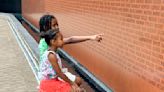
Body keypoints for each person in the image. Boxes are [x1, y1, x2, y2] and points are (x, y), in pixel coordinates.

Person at [38, 14, 103, 86]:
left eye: (57, 25)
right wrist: (72, 84)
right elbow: (56, 71)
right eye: (54, 25)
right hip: (50, 77)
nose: (57, 28)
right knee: (77, 82)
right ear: (45, 27)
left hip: (53, 73)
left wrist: (91, 37)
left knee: (78, 81)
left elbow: (71, 39)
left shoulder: (50, 41)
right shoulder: (45, 44)